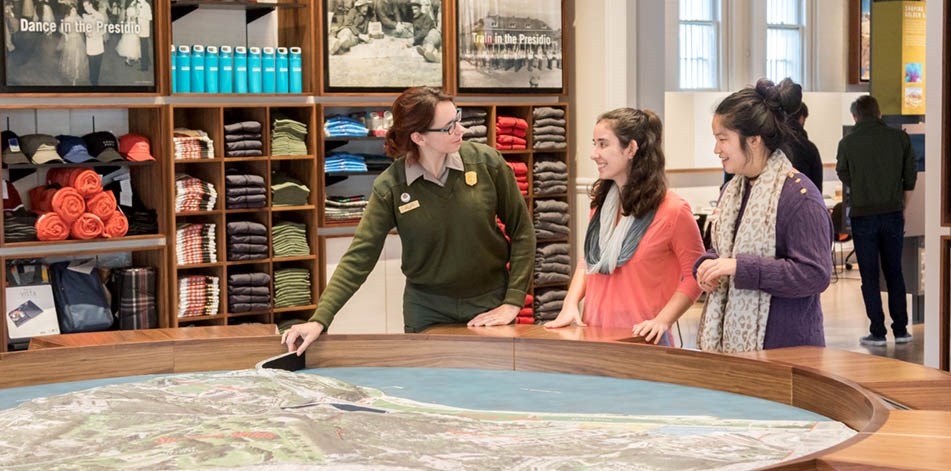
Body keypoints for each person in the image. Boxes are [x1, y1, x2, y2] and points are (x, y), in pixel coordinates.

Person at [282, 87, 535, 355]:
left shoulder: (487, 163)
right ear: (419, 137)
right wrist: (319, 319)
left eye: (458, 119)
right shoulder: (390, 186)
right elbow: (359, 257)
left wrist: (513, 301)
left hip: (489, 303)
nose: (461, 130)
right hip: (427, 309)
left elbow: (522, 231)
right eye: (449, 126)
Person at [544, 108, 704, 345]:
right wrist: (569, 304)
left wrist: (662, 320)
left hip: (643, 341)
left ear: (631, 148)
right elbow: (588, 261)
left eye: (602, 144)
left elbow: (696, 275)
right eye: (594, 144)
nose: (593, 154)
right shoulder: (601, 206)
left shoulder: (673, 210)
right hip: (595, 337)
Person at [695, 78, 833, 353]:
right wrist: (708, 265)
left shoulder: (799, 196)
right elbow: (722, 251)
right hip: (734, 350)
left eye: (723, 140)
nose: (717, 150)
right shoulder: (732, 190)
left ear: (754, 140)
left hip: (787, 350)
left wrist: (738, 267)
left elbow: (815, 274)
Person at [835, 95, 917, 346]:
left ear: (855, 116)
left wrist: (860, 184)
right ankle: (901, 330)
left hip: (863, 217)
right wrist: (902, 207)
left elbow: (842, 172)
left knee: (869, 275)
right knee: (895, 272)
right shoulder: (900, 138)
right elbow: (910, 177)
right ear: (879, 113)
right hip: (893, 214)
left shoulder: (847, 143)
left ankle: (877, 331)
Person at [782, 102, 823, 193]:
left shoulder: (773, 145)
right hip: (803, 201)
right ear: (801, 118)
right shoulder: (809, 148)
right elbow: (817, 189)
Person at [59, 5, 89, 85]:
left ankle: (76, 76)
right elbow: (61, 29)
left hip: (78, 39)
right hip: (70, 39)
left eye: (75, 11)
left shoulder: (78, 18)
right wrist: (65, 34)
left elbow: (84, 27)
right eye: (72, 10)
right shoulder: (67, 19)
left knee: (78, 57)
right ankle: (72, 76)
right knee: (70, 57)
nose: (74, 12)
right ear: (70, 11)